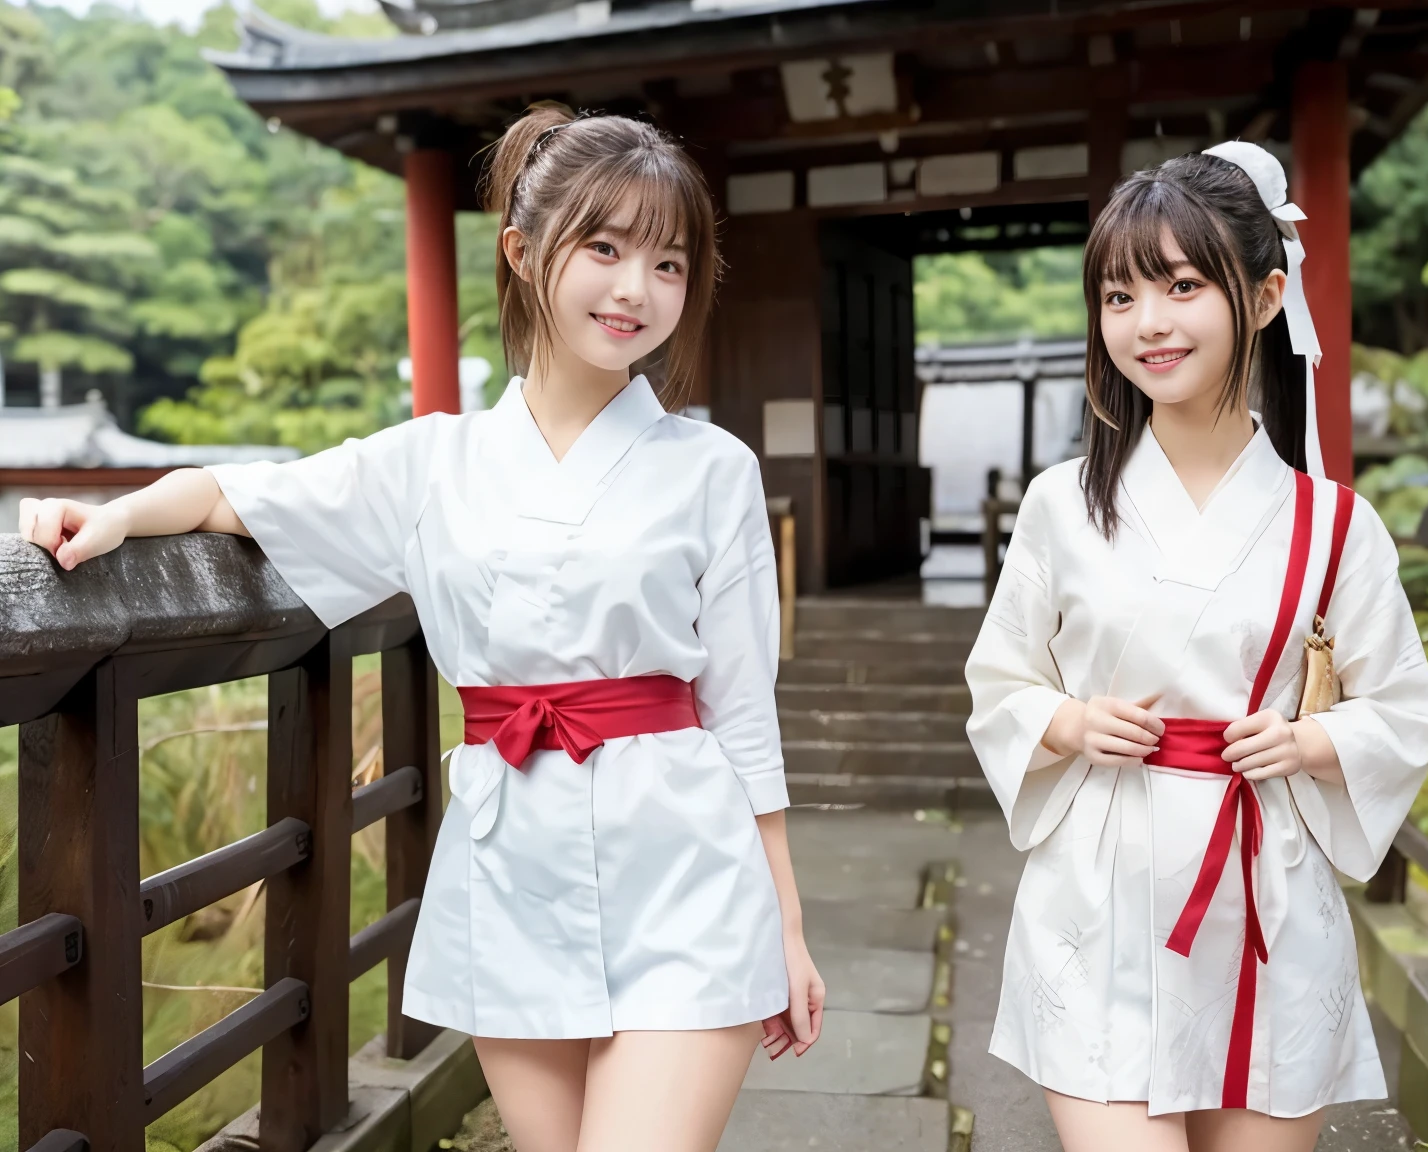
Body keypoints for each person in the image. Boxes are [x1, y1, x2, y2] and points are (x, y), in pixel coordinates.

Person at [18, 104, 825, 1152]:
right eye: (605, 247)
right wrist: (116, 517)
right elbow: (234, 495)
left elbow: (743, 716)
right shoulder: (430, 464)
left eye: (669, 263)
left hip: (685, 867)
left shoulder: (714, 471)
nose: (636, 289)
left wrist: (788, 928)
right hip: (512, 866)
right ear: (523, 252)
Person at [965, 142, 1428, 1152]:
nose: (1148, 323)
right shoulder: (1062, 505)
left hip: (1265, 904)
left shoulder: (1333, 525)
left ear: (1267, 296)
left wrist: (1311, 744)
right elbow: (1001, 679)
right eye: (1119, 295)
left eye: (1182, 285)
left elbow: (1401, 707)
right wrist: (1070, 719)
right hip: (1099, 898)